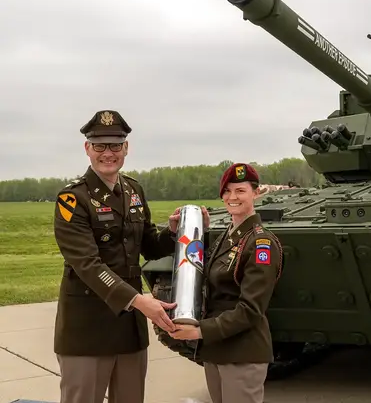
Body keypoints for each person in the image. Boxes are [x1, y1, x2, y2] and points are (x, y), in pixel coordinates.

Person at [52, 109, 210, 403]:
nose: (108, 153)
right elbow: (86, 264)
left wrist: (173, 233)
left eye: (115, 144)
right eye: (100, 145)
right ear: (87, 148)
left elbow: (147, 244)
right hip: (88, 328)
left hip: (128, 329)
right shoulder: (73, 199)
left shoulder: (133, 190)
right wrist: (139, 301)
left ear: (126, 148)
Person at [168, 162, 284, 403]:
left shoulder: (262, 244)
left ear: (256, 192)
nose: (233, 197)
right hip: (217, 350)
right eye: (227, 191)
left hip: (243, 353)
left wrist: (200, 331)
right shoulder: (225, 237)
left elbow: (251, 310)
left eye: (240, 191)